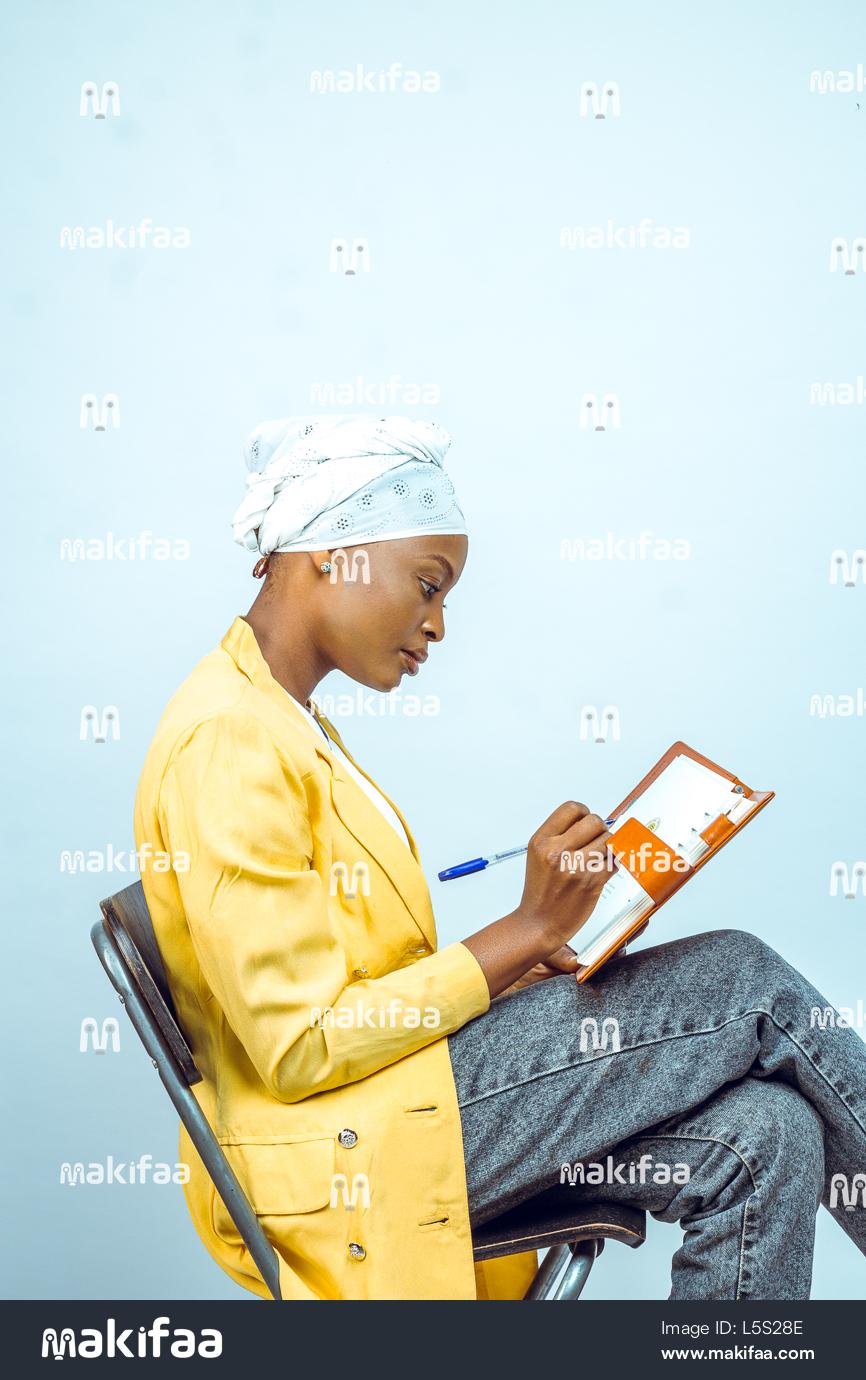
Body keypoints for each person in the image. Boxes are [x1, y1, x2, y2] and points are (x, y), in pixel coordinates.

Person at [134, 415, 866, 1301]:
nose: (437, 624)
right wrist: (522, 930)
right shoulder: (229, 741)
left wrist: (526, 960)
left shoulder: (285, 724)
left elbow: (350, 985)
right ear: (331, 553)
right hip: (335, 1152)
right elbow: (300, 1047)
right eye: (429, 584)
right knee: (743, 978)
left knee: (770, 1132)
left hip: (386, 1103)